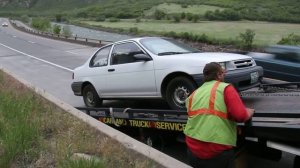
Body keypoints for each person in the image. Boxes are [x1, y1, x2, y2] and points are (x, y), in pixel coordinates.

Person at [184, 62, 254, 168]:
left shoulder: (193, 94)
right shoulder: (225, 88)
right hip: (216, 152)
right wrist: (249, 112)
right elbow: (240, 116)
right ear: (219, 74)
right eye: (223, 73)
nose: (224, 75)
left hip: (192, 150)